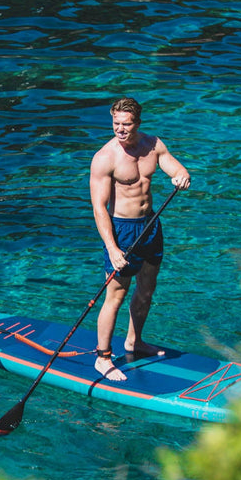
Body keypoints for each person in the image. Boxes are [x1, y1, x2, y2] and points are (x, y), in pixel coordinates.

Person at [89, 97, 191, 381]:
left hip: (150, 227)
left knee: (146, 289)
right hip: (122, 231)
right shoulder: (104, 158)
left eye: (126, 124)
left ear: (138, 123)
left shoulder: (153, 145)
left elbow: (176, 169)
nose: (120, 130)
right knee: (116, 295)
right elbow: (99, 209)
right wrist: (112, 248)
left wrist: (182, 177)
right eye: (116, 124)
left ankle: (135, 342)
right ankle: (103, 358)